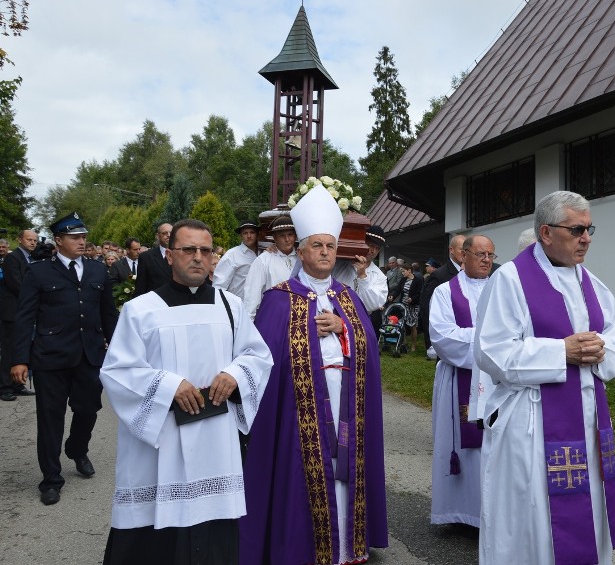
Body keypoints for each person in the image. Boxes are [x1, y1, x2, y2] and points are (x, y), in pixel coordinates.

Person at [98, 218, 272, 564]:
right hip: (160, 441)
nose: (197, 257)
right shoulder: (141, 310)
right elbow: (117, 371)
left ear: (213, 258)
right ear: (169, 256)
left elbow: (258, 356)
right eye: (188, 249)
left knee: (214, 529)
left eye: (205, 251)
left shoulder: (230, 307)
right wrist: (169, 385)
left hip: (215, 438)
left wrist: (235, 374)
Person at [475, 191, 615, 565]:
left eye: (589, 228)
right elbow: (492, 352)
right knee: (532, 520)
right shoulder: (510, 280)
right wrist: (562, 352)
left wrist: (601, 350)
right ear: (546, 232)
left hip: (586, 421)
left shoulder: (594, 285)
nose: (586, 237)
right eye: (576, 229)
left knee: (586, 509)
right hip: (532, 424)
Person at [241, 186, 388, 565]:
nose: (325, 252)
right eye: (317, 245)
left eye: (330, 245)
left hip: (346, 404)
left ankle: (345, 549)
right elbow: (265, 355)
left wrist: (344, 328)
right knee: (301, 478)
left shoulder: (348, 297)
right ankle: (299, 549)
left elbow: (369, 348)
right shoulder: (278, 298)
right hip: (300, 409)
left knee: (344, 475)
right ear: (301, 251)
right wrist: (307, 331)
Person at [11, 213, 118, 506]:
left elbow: (109, 313)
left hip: (89, 354)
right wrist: (19, 359)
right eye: (75, 237)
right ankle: (51, 478)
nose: (82, 241)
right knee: (50, 419)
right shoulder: (39, 273)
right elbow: (24, 317)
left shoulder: (98, 271)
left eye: (83, 236)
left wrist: (123, 349)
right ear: (59, 241)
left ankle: (76, 448)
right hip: (51, 357)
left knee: (88, 409)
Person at [428, 234, 495, 527]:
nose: (486, 260)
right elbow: (443, 336)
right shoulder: (444, 292)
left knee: (493, 446)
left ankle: (492, 514)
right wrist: (490, 342)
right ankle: (462, 513)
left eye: (490, 255)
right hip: (459, 378)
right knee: (463, 448)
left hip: (496, 380)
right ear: (463, 255)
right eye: (480, 254)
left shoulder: (502, 289)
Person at [0, 229, 39, 401]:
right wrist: (36, 295)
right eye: (29, 239)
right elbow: (16, 284)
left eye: (35, 240)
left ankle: (17, 384)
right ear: (20, 240)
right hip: (12, 311)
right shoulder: (12, 258)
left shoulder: (30, 258)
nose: (32, 243)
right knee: (8, 350)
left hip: (24, 311)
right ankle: (5, 386)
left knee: (21, 348)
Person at [332, 224, 390, 339]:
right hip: (332, 317)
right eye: (370, 245)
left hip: (360, 324)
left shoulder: (379, 276)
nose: (372, 250)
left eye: (377, 248)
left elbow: (372, 304)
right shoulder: (340, 263)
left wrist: (363, 275)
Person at [242, 214, 298, 320]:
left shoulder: (303, 258)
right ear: (275, 237)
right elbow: (251, 298)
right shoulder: (263, 261)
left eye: (290, 234)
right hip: (273, 318)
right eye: (282, 235)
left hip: (299, 319)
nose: (287, 239)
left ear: (295, 235)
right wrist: (248, 327)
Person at [421, 234, 465, 354]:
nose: (464, 253)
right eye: (461, 249)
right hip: (445, 339)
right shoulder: (439, 275)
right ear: (451, 250)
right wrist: (430, 342)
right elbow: (427, 308)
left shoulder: (470, 274)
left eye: (467, 250)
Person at [213, 222, 259, 300]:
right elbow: (219, 286)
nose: (249, 236)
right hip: (239, 305)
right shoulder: (232, 255)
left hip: (262, 306)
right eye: (245, 233)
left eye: (252, 232)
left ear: (257, 234)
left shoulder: (264, 253)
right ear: (241, 236)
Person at [134, 223, 172, 297]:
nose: (169, 235)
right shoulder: (146, 257)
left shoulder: (183, 254)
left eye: (171, 233)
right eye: (164, 233)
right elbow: (140, 287)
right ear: (158, 236)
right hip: (156, 302)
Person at [394, 262, 423, 353]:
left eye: (403, 271)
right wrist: (392, 296)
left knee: (412, 326)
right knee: (402, 324)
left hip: (413, 306)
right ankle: (404, 343)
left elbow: (420, 293)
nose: (402, 273)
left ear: (409, 271)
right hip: (403, 305)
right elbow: (398, 290)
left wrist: (412, 299)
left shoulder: (418, 280)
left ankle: (413, 345)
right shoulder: (403, 280)